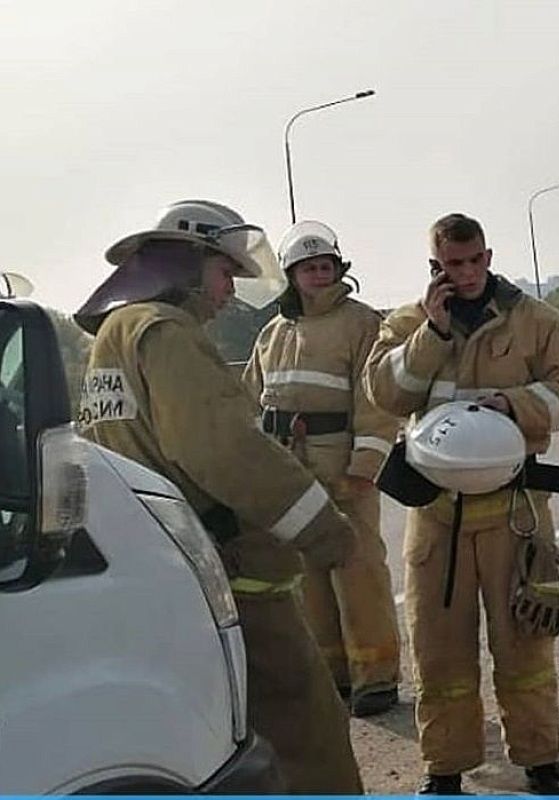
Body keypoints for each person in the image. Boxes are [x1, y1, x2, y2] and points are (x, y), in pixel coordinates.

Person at [74, 200, 364, 794]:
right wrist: (326, 531)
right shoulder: (166, 331)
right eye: (225, 272)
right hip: (231, 573)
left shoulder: (113, 337)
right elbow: (224, 450)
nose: (231, 289)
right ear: (188, 263)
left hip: (161, 569)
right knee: (305, 728)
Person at [363, 213, 559, 795]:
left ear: (488, 257)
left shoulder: (536, 321)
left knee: (525, 645)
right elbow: (384, 393)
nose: (464, 274)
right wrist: (431, 335)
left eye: (473, 262)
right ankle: (444, 768)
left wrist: (514, 405)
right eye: (450, 265)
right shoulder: (408, 323)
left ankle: (541, 761)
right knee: (438, 650)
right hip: (436, 515)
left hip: (513, 512)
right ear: (434, 265)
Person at [243, 221, 403, 718]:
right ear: (290, 275)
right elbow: (250, 398)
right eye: (308, 268)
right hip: (289, 469)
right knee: (307, 573)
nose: (318, 274)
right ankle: (334, 674)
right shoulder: (272, 332)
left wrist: (363, 468)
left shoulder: (361, 324)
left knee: (357, 571)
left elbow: (376, 403)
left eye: (326, 266)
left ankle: (375, 678)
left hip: (340, 465)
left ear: (339, 270)